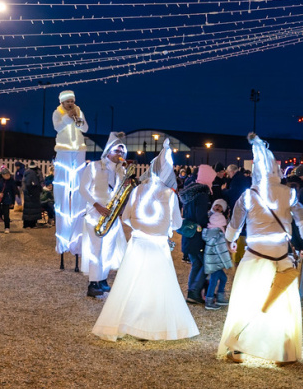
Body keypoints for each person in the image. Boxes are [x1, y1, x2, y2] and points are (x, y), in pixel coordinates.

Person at [218, 134, 303, 365]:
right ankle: (281, 350)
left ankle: (238, 346)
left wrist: (230, 240)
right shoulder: (288, 193)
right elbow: (302, 218)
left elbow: (235, 223)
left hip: (255, 256)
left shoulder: (249, 195)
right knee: (281, 306)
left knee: (246, 301)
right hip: (281, 257)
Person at [92, 139, 198, 341]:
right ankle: (150, 326)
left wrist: (140, 228)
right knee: (157, 286)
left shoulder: (138, 189)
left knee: (132, 283)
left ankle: (127, 321)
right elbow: (176, 224)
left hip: (138, 244)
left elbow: (126, 218)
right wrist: (161, 228)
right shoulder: (169, 194)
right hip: (157, 246)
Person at [79, 133, 129, 298]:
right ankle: (93, 283)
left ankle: (102, 280)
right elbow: (83, 189)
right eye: (117, 151)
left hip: (112, 217)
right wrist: (97, 205)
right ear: (108, 151)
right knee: (96, 249)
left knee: (108, 250)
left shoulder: (122, 171)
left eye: (122, 152)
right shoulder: (93, 166)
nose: (119, 154)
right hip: (95, 215)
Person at [52, 90, 89, 255]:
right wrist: (68, 117)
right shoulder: (57, 113)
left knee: (78, 187)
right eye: (68, 102)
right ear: (62, 102)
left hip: (79, 151)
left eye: (72, 101)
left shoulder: (79, 111)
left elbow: (85, 128)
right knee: (63, 188)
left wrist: (78, 119)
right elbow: (58, 127)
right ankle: (63, 235)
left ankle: (77, 235)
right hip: (64, 151)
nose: (70, 104)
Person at [180, 164, 214, 304]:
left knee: (196, 263)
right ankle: (194, 292)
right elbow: (201, 216)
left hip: (189, 233)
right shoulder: (202, 193)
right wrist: (210, 222)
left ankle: (191, 291)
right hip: (198, 235)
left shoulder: (190, 191)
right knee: (205, 264)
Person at [203, 199, 233, 310]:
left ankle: (220, 297)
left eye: (220, 207)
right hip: (214, 259)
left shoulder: (213, 231)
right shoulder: (218, 234)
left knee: (223, 278)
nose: (217, 208)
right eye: (216, 206)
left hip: (213, 259)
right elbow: (220, 249)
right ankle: (209, 300)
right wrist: (227, 262)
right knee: (214, 279)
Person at [22, 163, 44, 229]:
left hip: (30, 193)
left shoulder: (28, 172)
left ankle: (30, 224)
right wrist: (33, 192)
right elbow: (29, 184)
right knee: (31, 209)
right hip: (32, 194)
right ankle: (30, 224)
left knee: (30, 209)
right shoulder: (32, 173)